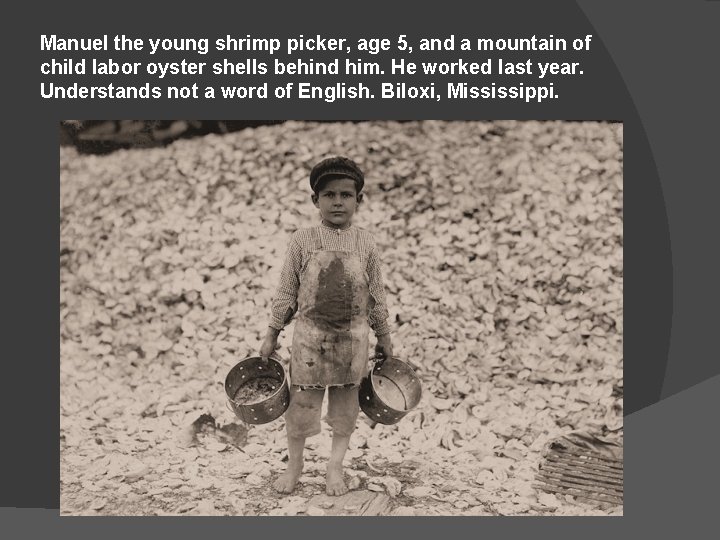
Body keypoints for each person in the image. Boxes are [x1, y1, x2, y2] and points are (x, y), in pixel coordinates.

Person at [259, 156, 393, 496]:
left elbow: (376, 294)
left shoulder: (366, 243)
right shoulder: (303, 240)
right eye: (329, 195)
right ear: (315, 200)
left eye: (346, 195)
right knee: (301, 408)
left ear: (358, 201)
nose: (338, 202)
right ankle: (296, 465)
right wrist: (271, 334)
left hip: (352, 343)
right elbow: (287, 291)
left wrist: (386, 337)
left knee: (345, 410)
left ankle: (335, 467)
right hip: (309, 342)